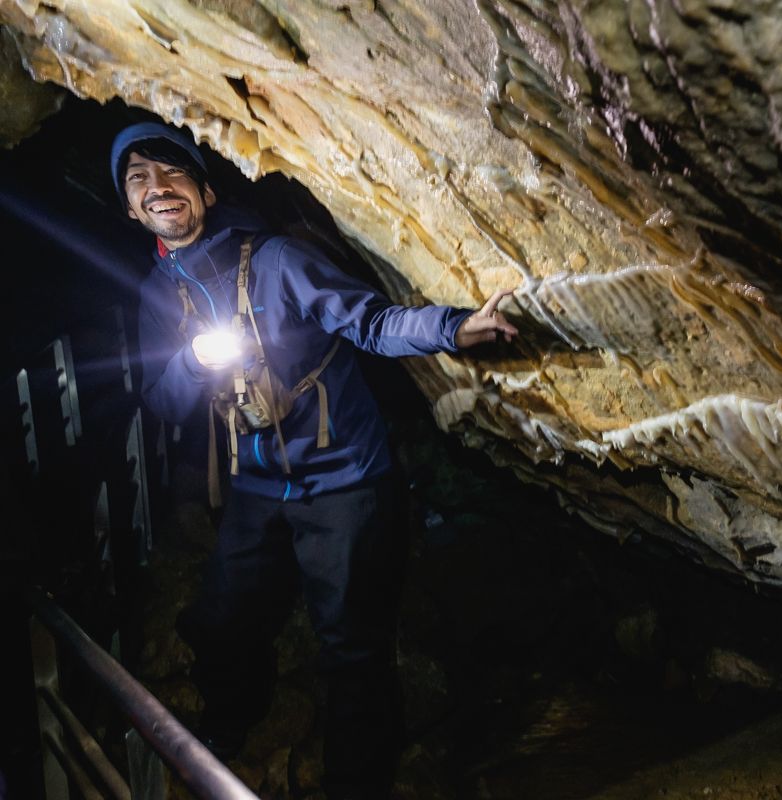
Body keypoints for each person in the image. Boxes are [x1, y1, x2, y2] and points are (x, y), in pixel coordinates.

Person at [111, 121, 517, 799]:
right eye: (138, 179)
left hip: (346, 478)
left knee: (352, 647)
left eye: (172, 172)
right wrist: (192, 360)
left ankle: (357, 783)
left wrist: (454, 327)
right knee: (219, 619)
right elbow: (163, 403)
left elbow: (371, 322)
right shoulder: (159, 296)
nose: (157, 187)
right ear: (130, 209)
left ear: (206, 191)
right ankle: (235, 720)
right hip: (260, 481)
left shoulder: (274, 260)